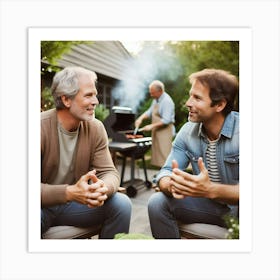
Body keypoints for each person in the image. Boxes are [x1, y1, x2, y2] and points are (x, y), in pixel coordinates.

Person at [41, 66, 132, 239]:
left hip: (75, 205)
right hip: (38, 206)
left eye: (95, 95)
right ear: (66, 100)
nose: (96, 101)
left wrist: (102, 188)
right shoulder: (37, 128)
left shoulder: (95, 127)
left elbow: (109, 172)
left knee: (121, 204)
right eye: (89, 95)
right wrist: (68, 192)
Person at [148, 69, 239, 239]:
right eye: (191, 96)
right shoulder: (188, 131)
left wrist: (211, 189)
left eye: (197, 98)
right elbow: (165, 172)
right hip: (211, 208)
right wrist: (171, 185)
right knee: (157, 203)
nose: (188, 103)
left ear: (220, 105)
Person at [134, 80, 175, 168]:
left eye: (153, 93)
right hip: (158, 132)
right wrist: (140, 118)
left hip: (165, 132)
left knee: (165, 156)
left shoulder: (167, 101)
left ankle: (168, 177)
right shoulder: (156, 100)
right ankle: (161, 175)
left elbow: (166, 120)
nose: (151, 95)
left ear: (160, 91)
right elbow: (150, 112)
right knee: (159, 157)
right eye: (150, 93)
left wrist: (151, 126)